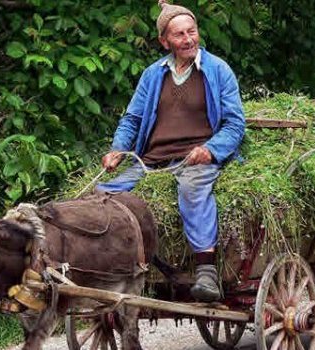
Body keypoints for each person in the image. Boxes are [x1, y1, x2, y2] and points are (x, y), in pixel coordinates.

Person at [96, 0, 245, 302]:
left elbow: (234, 124)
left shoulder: (218, 70)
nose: (189, 39)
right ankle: (111, 267)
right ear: (165, 41)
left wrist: (211, 150)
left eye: (192, 31)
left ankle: (206, 272)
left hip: (196, 157)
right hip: (153, 159)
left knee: (192, 190)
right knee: (105, 194)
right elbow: (133, 119)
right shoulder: (153, 75)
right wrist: (117, 151)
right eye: (179, 35)